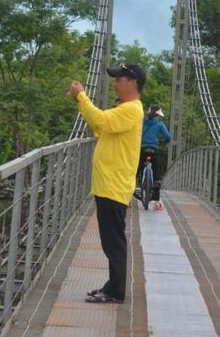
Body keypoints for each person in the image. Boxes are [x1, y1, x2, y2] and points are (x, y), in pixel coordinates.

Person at [67, 62, 145, 304]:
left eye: (119, 79)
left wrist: (82, 96)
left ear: (132, 82)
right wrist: (83, 104)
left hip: (113, 185)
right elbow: (101, 126)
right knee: (111, 241)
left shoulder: (131, 109)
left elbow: (100, 120)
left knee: (113, 242)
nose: (115, 83)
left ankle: (115, 291)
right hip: (109, 184)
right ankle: (112, 286)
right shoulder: (126, 109)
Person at [138, 104, 171, 210]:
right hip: (153, 150)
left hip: (142, 149)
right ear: (158, 115)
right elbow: (168, 137)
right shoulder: (160, 124)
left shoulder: (141, 121)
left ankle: (128, 195)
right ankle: (156, 199)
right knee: (157, 171)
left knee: (135, 170)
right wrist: (164, 142)